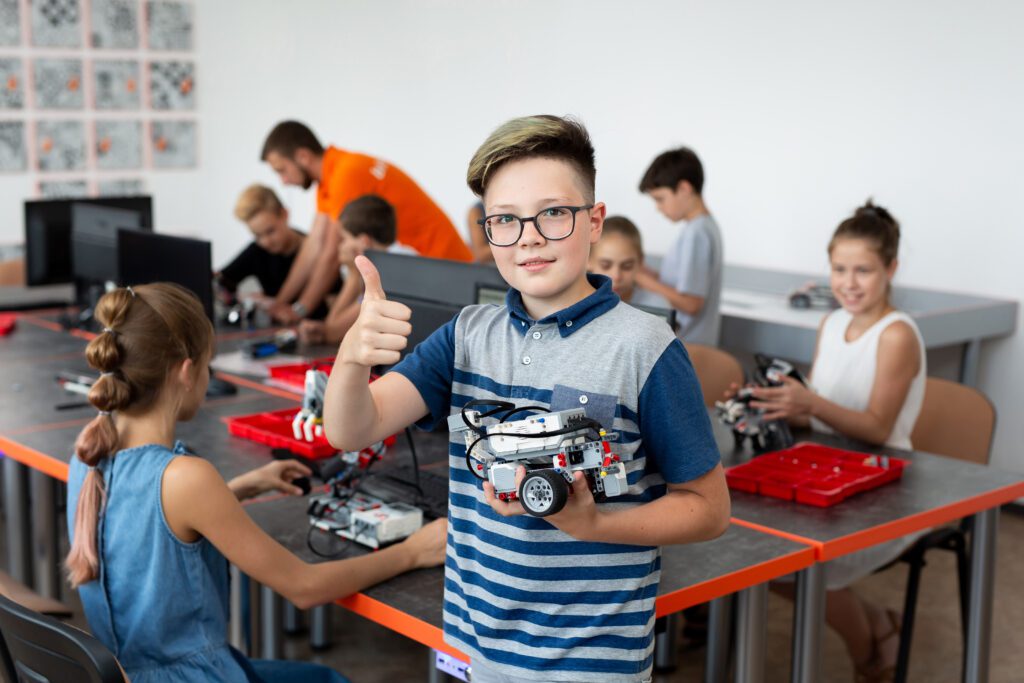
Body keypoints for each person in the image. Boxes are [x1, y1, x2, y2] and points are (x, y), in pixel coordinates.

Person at [322, 115, 730, 682]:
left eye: (553, 213)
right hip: (478, 644)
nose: (529, 237)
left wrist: (594, 525)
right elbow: (350, 430)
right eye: (505, 221)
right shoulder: (466, 336)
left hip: (590, 661)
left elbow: (710, 509)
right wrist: (351, 359)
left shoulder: (645, 347)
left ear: (593, 222)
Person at [65, 282, 446, 683]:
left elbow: (145, 529)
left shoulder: (88, 453)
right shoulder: (185, 479)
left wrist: (241, 487)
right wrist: (413, 552)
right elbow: (305, 587)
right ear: (187, 372)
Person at [748, 201, 926, 683]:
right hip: (831, 471)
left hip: (886, 489)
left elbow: (877, 429)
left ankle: (869, 643)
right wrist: (776, 402)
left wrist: (810, 404)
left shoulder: (897, 336)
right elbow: (824, 410)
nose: (849, 282)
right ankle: (874, 625)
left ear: (890, 269)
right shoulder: (833, 323)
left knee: (793, 567)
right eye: (839, 269)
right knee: (757, 555)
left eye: (863, 270)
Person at [260, 121, 472, 325]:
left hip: (443, 273)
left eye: (282, 170)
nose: (283, 181)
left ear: (302, 156)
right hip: (429, 270)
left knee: (339, 330)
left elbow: (331, 254)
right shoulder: (331, 176)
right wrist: (280, 303)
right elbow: (313, 245)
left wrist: (299, 310)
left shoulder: (345, 174)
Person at [299, 195, 416, 345]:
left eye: (344, 239)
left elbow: (333, 332)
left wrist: (353, 273)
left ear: (363, 242)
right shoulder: (405, 256)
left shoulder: (387, 273)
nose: (340, 246)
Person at [636, 147, 723, 345]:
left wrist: (639, 278)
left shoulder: (696, 233)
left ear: (684, 188)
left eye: (660, 199)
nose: (658, 208)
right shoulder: (706, 226)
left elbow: (692, 303)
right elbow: (683, 284)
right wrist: (651, 275)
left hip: (691, 344)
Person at [215, 184, 335, 319]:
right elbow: (220, 282)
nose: (265, 242)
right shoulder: (256, 251)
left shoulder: (317, 251)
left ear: (284, 214)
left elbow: (334, 302)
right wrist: (250, 299)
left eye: (270, 231)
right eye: (257, 235)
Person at [588, 215, 670, 309]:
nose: (617, 276)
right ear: (587, 260)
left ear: (640, 262)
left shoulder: (658, 306)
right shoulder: (577, 304)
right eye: (605, 266)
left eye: (627, 266)